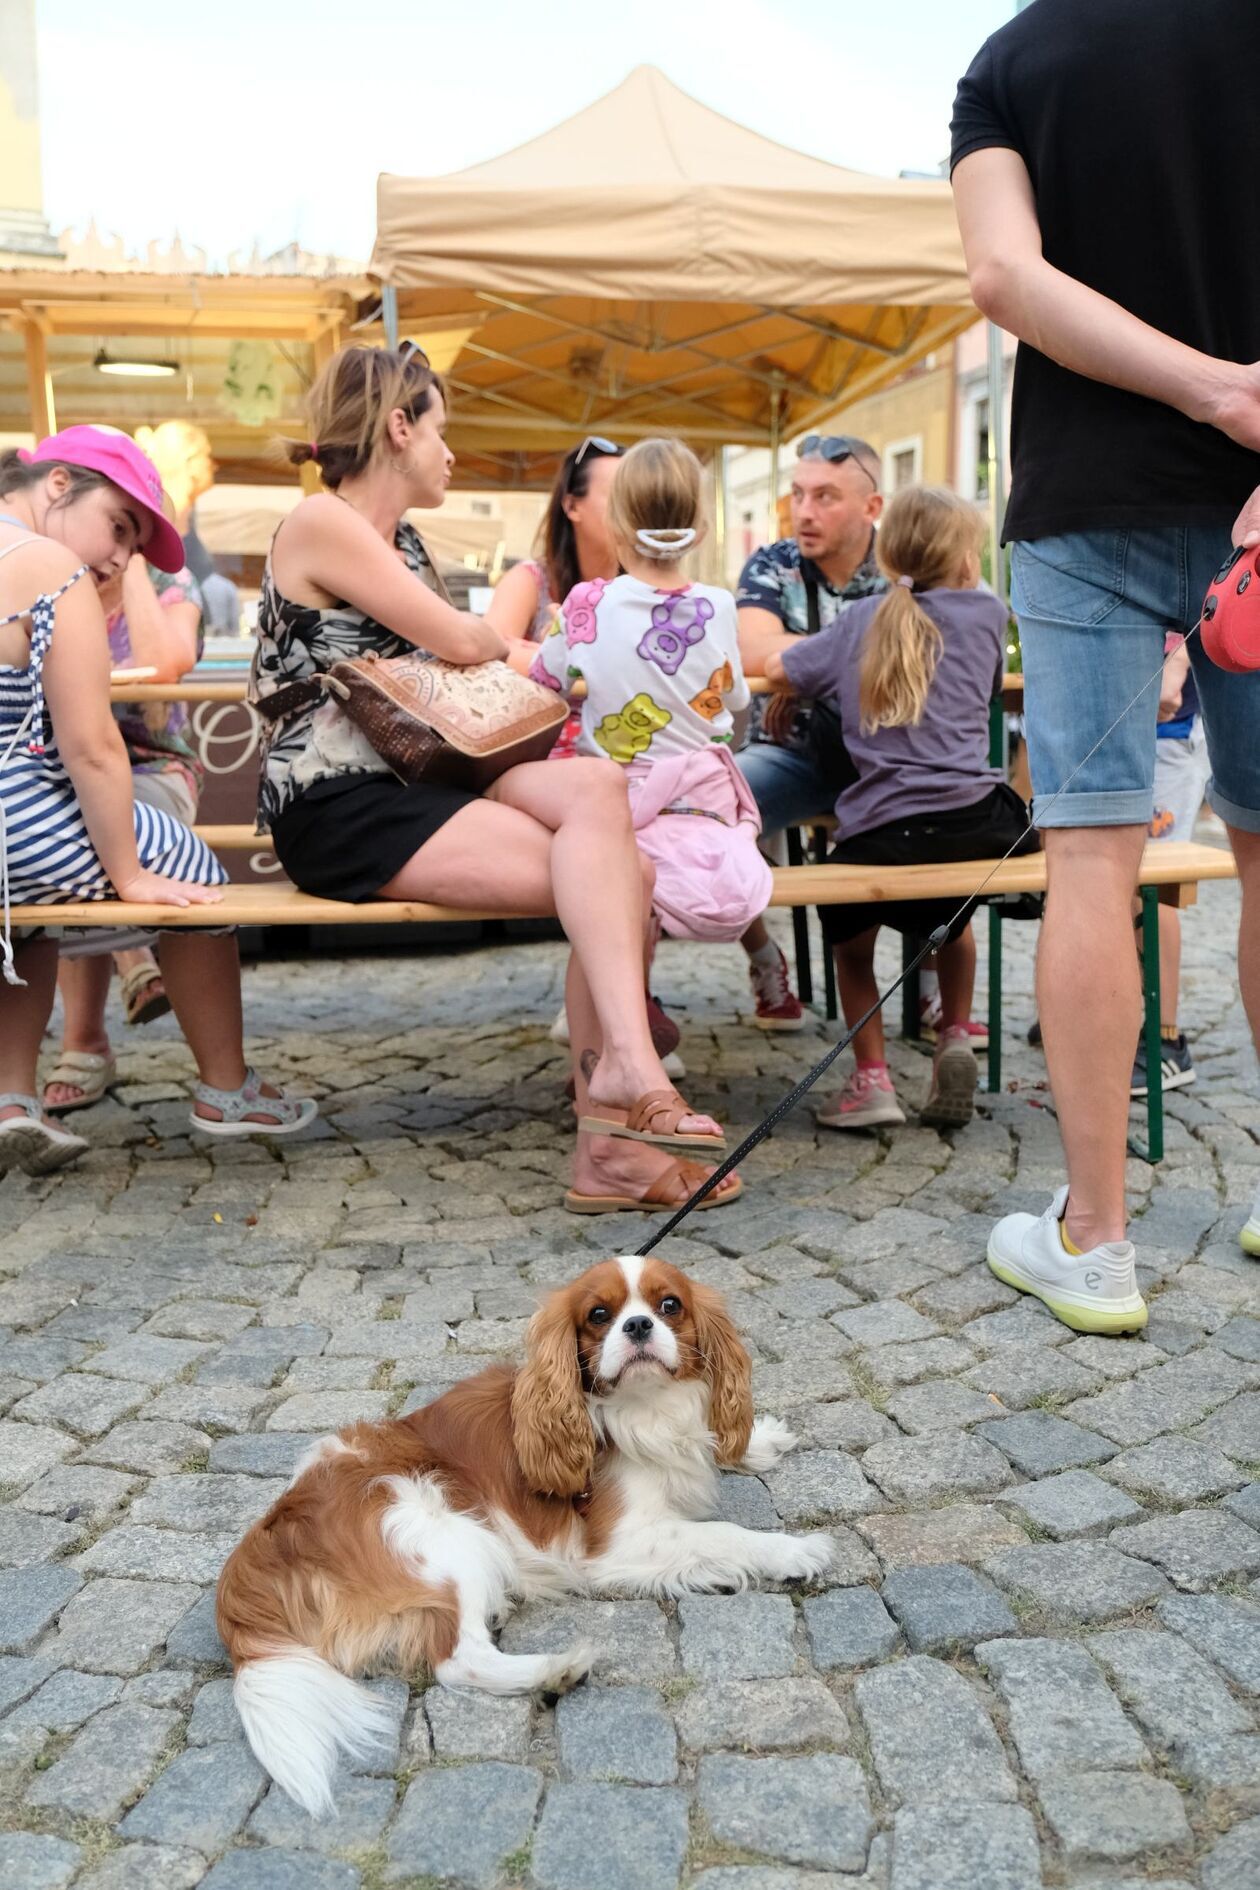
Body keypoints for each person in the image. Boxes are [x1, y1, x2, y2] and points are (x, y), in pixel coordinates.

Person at [252, 343, 738, 1216]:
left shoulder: (399, 539)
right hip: (341, 802)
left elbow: (478, 657)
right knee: (626, 876)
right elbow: (466, 643)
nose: (451, 453)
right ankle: (619, 1123)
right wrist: (562, 651)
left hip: (423, 777)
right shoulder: (322, 522)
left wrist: (559, 655)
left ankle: (613, 1124)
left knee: (602, 805)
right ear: (398, 428)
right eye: (441, 431)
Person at [951, 0, 1260, 1325]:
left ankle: (1096, 1239)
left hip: (1085, 497)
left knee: (1088, 850)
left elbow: (1003, 280)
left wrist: (1208, 386)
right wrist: (1245, 404)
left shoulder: (1009, 63)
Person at [0, 427, 316, 1175]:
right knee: (197, 871)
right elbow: (94, 749)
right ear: (56, 485)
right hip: (15, 815)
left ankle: (12, 1100)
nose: (117, 555)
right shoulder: (46, 569)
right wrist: (132, 873)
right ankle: (227, 1090)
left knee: (30, 914)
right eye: (117, 526)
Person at [764, 486, 1036, 1132]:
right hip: (977, 823)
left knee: (853, 948)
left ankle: (873, 1081)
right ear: (965, 559)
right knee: (956, 919)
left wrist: (794, 690)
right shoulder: (987, 613)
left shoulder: (861, 620)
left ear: (888, 554)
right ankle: (954, 1039)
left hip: (884, 827)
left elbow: (780, 667)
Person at [530, 438, 770, 947]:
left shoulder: (586, 603)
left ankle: (625, 1001)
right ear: (701, 529)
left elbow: (542, 682)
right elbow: (737, 702)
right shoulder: (720, 605)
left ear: (615, 523)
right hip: (707, 805)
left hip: (618, 806)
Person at [43, 552, 206, 1114]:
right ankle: (135, 964)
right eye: (116, 520)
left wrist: (135, 566)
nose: (116, 539)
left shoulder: (167, 581)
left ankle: (83, 1042)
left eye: (131, 526)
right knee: (71, 816)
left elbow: (165, 665)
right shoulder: (46, 574)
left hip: (152, 770)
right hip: (63, 771)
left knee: (88, 819)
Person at [735, 435, 885, 1029]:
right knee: (707, 812)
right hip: (788, 755)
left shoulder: (903, 560)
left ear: (872, 508)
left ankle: (931, 980)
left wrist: (803, 667)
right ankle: (766, 959)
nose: (803, 511)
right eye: (798, 494)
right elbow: (751, 650)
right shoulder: (773, 562)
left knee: (950, 817)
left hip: (886, 765)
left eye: (825, 497)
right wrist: (865, 654)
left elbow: (933, 655)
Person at [1131, 632, 1212, 1099]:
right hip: (1136, 725)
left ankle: (1166, 1042)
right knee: (1117, 883)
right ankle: (1106, 1010)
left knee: (1157, 887)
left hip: (1170, 729)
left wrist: (1178, 658)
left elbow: (1191, 602)